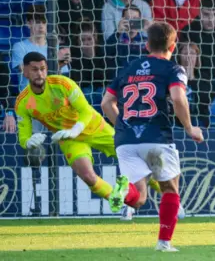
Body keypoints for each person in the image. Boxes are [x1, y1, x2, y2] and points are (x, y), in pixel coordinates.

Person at [102, 22, 204, 252]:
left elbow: (106, 103)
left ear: (147, 45)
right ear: (173, 45)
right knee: (170, 188)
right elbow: (178, 99)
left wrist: (123, 125)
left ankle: (122, 190)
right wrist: (189, 128)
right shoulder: (173, 69)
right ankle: (164, 242)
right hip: (156, 138)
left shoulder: (128, 68)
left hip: (126, 141)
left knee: (137, 198)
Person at [16, 52, 118, 210]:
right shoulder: (23, 102)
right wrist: (28, 142)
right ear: (25, 71)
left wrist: (76, 129)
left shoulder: (62, 84)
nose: (40, 73)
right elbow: (23, 136)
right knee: (87, 176)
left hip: (93, 126)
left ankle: (164, 190)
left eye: (43, 69)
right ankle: (120, 201)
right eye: (34, 69)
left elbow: (86, 111)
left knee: (133, 156)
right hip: (68, 138)